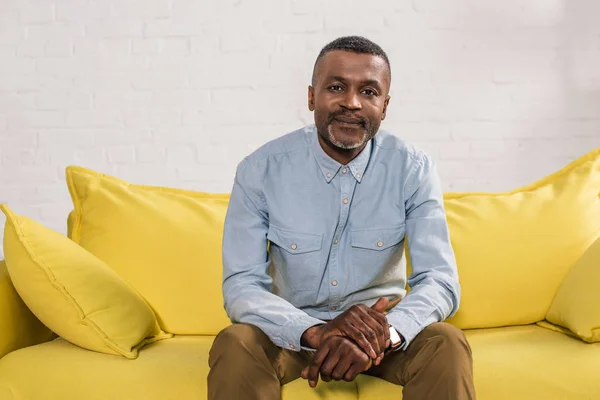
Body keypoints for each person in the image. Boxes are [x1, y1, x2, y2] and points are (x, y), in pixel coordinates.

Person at [208, 35, 475, 400]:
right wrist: (316, 332)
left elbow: (439, 280)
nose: (352, 102)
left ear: (384, 106)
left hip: (382, 336)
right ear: (311, 97)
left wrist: (385, 333)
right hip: (293, 333)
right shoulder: (260, 170)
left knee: (446, 341)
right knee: (235, 341)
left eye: (368, 92)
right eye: (336, 87)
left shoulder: (413, 169)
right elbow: (241, 286)